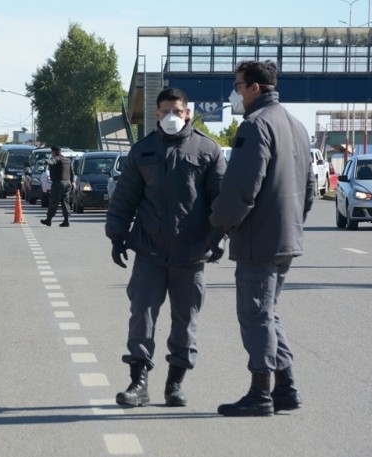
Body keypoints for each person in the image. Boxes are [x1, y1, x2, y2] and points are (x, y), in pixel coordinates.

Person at [105, 87, 227, 408]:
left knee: (186, 320)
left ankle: (175, 384)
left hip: (191, 253)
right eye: (165, 111)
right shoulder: (142, 152)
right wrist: (117, 236)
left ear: (187, 112)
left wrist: (218, 236)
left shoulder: (208, 150)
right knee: (141, 315)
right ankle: (138, 383)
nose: (171, 117)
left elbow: (221, 201)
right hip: (150, 251)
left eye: (177, 110)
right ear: (156, 115)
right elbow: (124, 199)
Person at [210, 60, 315, 416]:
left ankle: (261, 394)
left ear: (255, 87)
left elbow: (241, 188)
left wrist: (218, 228)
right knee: (267, 313)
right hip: (286, 238)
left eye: (238, 86)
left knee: (255, 315)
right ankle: (286, 388)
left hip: (259, 239)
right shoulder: (296, 126)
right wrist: (292, 224)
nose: (235, 93)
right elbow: (310, 189)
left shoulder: (255, 126)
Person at [40, 146, 74, 227]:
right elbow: (72, 172)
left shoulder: (56, 158)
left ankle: (48, 220)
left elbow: (52, 161)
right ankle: (66, 220)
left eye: (52, 152)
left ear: (54, 152)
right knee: (65, 202)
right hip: (68, 183)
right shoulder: (67, 160)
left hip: (58, 183)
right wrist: (72, 182)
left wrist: (46, 161)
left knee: (53, 201)